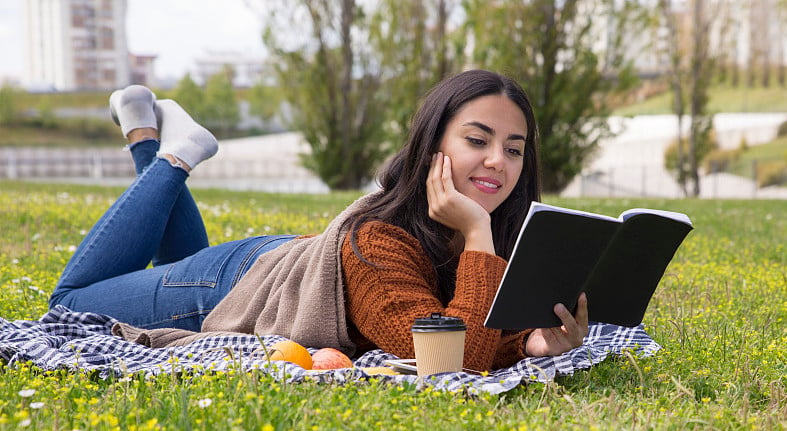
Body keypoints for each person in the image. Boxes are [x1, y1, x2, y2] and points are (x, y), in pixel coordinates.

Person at [49, 70, 589, 373]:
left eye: (513, 149)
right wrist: (476, 234)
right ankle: (177, 158)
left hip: (288, 259)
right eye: (477, 140)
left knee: (170, 260)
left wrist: (531, 345)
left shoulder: (507, 234)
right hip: (238, 285)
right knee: (70, 303)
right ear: (432, 148)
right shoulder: (379, 243)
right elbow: (451, 362)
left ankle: (145, 134)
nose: (498, 161)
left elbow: (479, 330)